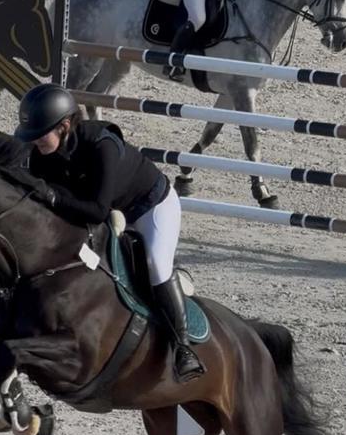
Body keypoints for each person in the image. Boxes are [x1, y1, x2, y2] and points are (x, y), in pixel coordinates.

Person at [14, 84, 204, 382]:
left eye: (39, 134)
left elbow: (96, 209)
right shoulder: (42, 153)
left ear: (64, 126)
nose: (34, 142)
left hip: (151, 207)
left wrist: (51, 196)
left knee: (155, 265)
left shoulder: (102, 145)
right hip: (112, 211)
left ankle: (183, 348)